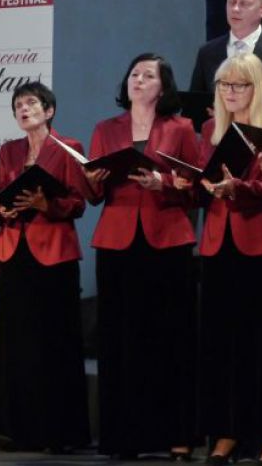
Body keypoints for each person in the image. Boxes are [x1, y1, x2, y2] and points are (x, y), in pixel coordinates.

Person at [87, 53, 201, 460]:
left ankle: (176, 434)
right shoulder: (106, 129)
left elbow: (195, 186)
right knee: (119, 341)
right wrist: (92, 180)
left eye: (147, 75)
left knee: (169, 338)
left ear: (163, 86)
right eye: (134, 73)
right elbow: (93, 194)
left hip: (166, 238)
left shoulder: (181, 128)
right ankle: (123, 437)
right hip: (117, 240)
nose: (137, 79)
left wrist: (163, 182)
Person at [189, 54, 262, 466]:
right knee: (223, 344)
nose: (230, 92)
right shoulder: (210, 128)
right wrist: (196, 183)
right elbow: (206, 179)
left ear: (257, 86)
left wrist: (241, 187)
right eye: (224, 85)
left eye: (239, 85)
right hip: (220, 242)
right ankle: (227, 432)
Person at [0, 81, 91, 453]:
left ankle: (57, 431)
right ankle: (17, 430)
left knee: (53, 341)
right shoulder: (9, 150)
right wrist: (2, 209)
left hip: (54, 252)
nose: (23, 109)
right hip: (15, 250)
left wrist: (46, 205)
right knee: (17, 343)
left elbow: (78, 202)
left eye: (31, 103)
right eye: (18, 104)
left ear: (49, 111)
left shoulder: (69, 147)